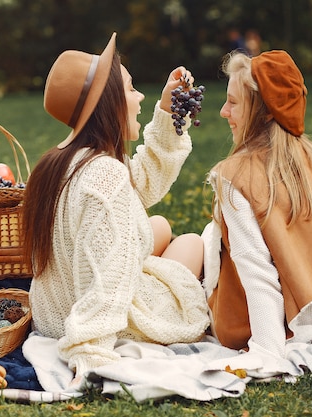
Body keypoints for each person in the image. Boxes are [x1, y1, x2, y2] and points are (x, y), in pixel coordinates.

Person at [22, 32, 209, 379]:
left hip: (54, 311)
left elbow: (141, 182)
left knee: (162, 226)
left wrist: (168, 114)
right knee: (192, 243)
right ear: (110, 103)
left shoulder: (60, 162)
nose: (139, 98)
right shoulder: (104, 174)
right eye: (131, 88)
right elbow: (110, 276)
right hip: (99, 319)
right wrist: (90, 348)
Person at [201, 50, 312, 359]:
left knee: (184, 250)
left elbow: (257, 272)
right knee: (200, 241)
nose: (224, 112)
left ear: (264, 111)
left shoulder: (237, 175)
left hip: (250, 326)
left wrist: (267, 348)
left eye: (234, 102)